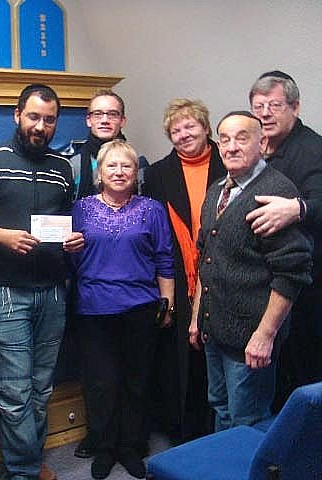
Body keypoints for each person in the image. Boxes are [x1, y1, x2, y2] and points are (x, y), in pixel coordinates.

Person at [0, 83, 84, 480]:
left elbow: (67, 220)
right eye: (34, 117)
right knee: (14, 392)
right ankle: (23, 471)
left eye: (49, 120)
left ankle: (30, 461)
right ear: (17, 115)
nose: (41, 126)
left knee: (41, 388)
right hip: (6, 294)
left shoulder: (63, 168)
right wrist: (3, 237)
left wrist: (73, 240)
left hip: (53, 292)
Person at [189, 111, 312, 432]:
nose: (231, 146)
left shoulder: (275, 192)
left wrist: (264, 336)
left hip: (249, 341)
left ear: (262, 143)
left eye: (242, 138)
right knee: (221, 408)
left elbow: (292, 272)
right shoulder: (217, 190)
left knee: (247, 421)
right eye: (225, 139)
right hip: (215, 333)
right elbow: (206, 258)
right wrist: (197, 317)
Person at [70, 140, 174, 479]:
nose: (119, 172)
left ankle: (130, 446)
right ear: (99, 173)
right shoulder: (80, 209)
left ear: (135, 173)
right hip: (94, 308)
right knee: (101, 383)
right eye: (111, 166)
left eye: (126, 166)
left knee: (136, 381)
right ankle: (104, 447)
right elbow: (69, 258)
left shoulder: (152, 209)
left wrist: (167, 302)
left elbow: (164, 257)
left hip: (141, 307)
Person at [142, 99, 226, 443]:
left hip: (223, 273)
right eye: (175, 130)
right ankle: (185, 433)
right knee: (182, 359)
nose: (184, 134)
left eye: (190, 126)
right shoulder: (158, 173)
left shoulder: (229, 161)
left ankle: (220, 434)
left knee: (219, 356)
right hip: (178, 274)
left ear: (205, 127)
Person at [247, 71, 322, 400]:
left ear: (295, 107)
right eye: (258, 107)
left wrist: (298, 208)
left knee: (306, 380)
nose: (265, 114)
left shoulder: (313, 149)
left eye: (274, 105)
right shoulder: (256, 148)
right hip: (268, 283)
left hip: (308, 286)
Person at [69, 90, 127, 200]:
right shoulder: (73, 165)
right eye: (97, 114)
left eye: (112, 114)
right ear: (88, 120)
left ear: (122, 121)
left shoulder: (136, 164)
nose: (105, 120)